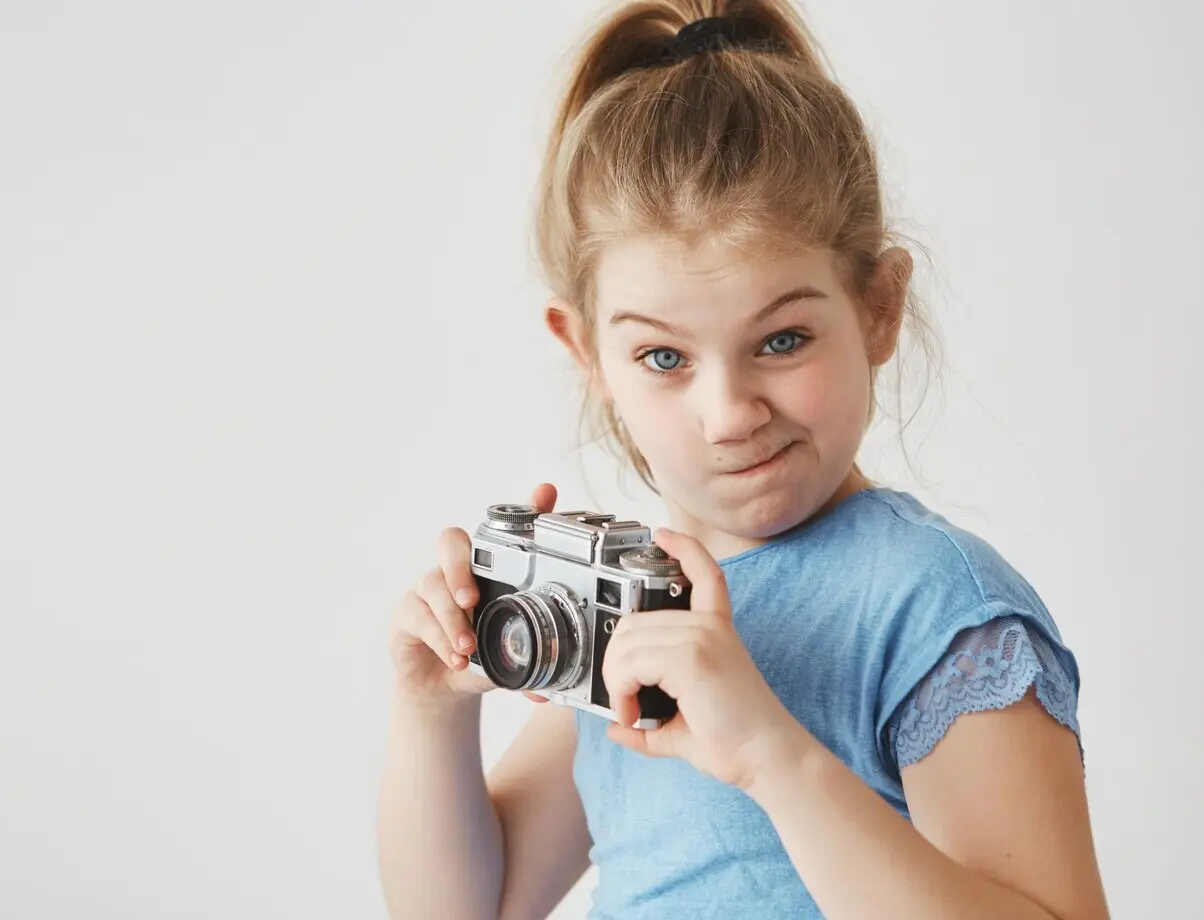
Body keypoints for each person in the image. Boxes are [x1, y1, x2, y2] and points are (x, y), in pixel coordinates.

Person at [376, 2, 1110, 918]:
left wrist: (771, 752)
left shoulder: (931, 607)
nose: (729, 415)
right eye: (664, 357)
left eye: (783, 339)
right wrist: (432, 710)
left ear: (879, 309)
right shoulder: (628, 610)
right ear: (587, 355)